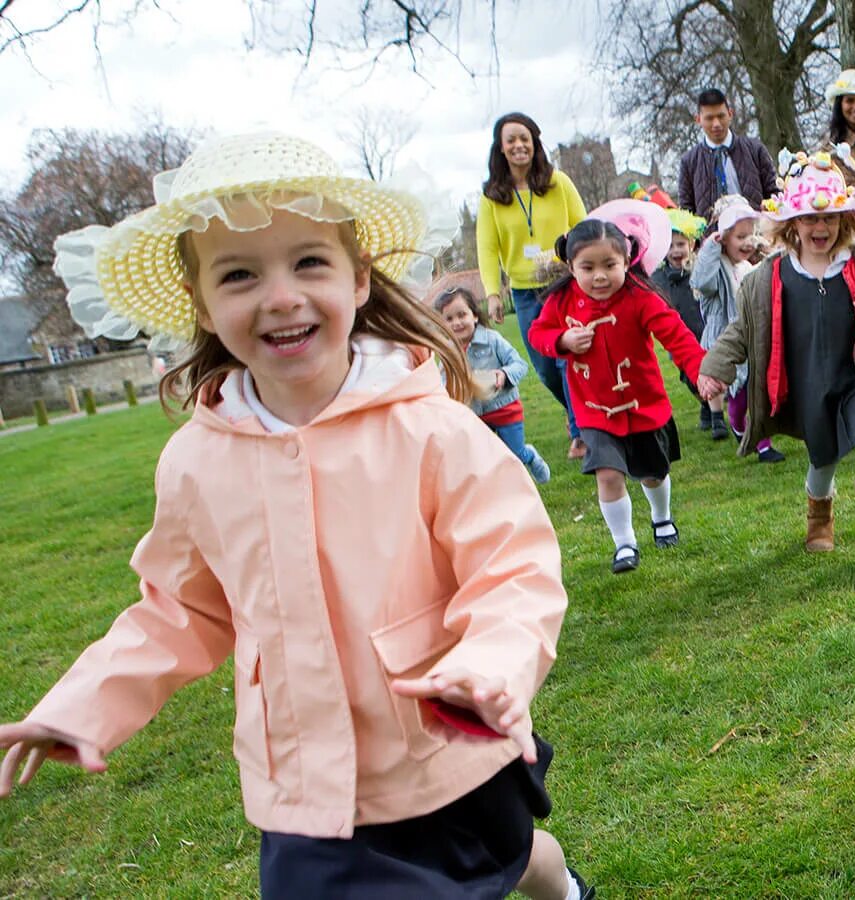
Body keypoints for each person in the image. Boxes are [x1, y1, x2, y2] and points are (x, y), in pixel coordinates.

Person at [17, 132, 591, 900]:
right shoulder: (196, 461)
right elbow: (177, 610)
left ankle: (554, 878)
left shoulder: (430, 429)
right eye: (240, 274)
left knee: (511, 856)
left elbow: (512, 567)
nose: (279, 295)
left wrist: (492, 665)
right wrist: (85, 705)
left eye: (308, 263)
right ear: (203, 301)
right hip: (302, 783)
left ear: (358, 281)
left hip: (441, 745)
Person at [699, 152, 855, 560]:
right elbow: (743, 330)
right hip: (808, 385)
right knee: (822, 458)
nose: (821, 227)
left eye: (830, 218)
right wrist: (715, 369)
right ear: (792, 223)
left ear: (845, 221)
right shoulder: (770, 277)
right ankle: (819, 519)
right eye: (811, 219)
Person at [527, 206, 706, 575]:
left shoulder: (642, 297)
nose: (600, 276)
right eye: (588, 268)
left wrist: (702, 371)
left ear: (627, 260)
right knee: (608, 474)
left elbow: (676, 335)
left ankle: (662, 517)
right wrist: (561, 339)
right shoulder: (561, 302)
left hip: (643, 405)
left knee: (653, 472)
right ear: (571, 268)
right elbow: (537, 335)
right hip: (595, 410)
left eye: (609, 265)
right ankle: (624, 543)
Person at [476, 112, 590, 461]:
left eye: (524, 138)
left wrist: (577, 260)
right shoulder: (492, 196)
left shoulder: (558, 182)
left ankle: (580, 430)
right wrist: (493, 292)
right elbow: (488, 246)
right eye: (510, 140)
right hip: (525, 291)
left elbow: (583, 225)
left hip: (562, 284)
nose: (518, 145)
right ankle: (581, 416)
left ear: (534, 142)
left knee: (565, 358)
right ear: (501, 148)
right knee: (543, 365)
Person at [693, 194, 785, 461]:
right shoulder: (716, 267)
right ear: (723, 238)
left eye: (750, 235)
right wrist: (711, 247)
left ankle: (763, 444)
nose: (747, 242)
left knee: (756, 392)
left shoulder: (746, 267)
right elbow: (702, 281)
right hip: (724, 343)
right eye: (739, 237)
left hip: (750, 341)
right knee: (738, 398)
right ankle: (738, 426)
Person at [434, 283, 553, 485]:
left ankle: (529, 455)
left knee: (514, 454)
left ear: (475, 315)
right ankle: (502, 492)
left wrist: (504, 374)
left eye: (462, 315)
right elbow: (443, 383)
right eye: (449, 319)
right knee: (484, 460)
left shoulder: (492, 340)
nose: (457, 323)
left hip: (505, 409)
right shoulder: (447, 353)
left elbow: (520, 364)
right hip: (474, 415)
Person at [652, 208, 715, 432]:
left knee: (710, 371)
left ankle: (714, 410)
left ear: (691, 245)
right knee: (689, 378)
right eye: (670, 246)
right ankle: (706, 404)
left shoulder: (699, 269)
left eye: (680, 244)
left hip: (705, 331)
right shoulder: (657, 277)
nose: (676, 250)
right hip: (677, 336)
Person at [676, 88, 779, 220]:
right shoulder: (689, 161)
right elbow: (686, 211)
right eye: (709, 118)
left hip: (755, 235)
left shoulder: (755, 149)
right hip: (711, 238)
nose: (716, 124)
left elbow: (774, 195)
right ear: (698, 120)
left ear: (730, 114)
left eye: (721, 116)